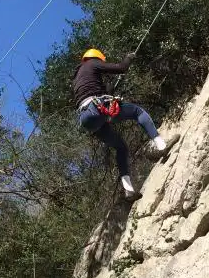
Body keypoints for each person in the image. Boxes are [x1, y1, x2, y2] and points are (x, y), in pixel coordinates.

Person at [73, 48, 180, 201]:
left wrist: (108, 90)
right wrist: (128, 58)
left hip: (86, 118)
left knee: (121, 147)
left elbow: (94, 91)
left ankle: (128, 190)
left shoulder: (78, 77)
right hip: (97, 108)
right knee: (137, 112)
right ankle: (161, 146)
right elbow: (121, 68)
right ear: (95, 58)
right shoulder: (92, 64)